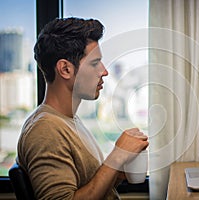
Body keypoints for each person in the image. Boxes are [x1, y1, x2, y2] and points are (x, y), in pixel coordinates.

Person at [17, 17, 149, 199]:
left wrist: (116, 172)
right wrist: (116, 156)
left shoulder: (68, 120)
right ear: (65, 69)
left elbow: (88, 185)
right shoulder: (45, 130)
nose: (104, 71)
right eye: (95, 63)